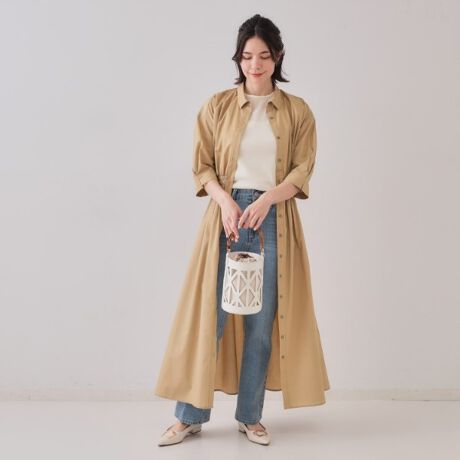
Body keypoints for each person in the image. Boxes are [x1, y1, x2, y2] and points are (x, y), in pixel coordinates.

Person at [156, 13, 330, 447]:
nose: (255, 64)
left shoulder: (297, 111)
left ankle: (250, 416)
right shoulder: (217, 106)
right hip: (226, 217)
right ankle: (189, 417)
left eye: (264, 56)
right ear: (238, 58)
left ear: (278, 57)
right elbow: (203, 166)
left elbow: (302, 168)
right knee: (210, 316)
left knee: (261, 321)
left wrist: (267, 200)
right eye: (247, 56)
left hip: (273, 219)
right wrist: (226, 203)